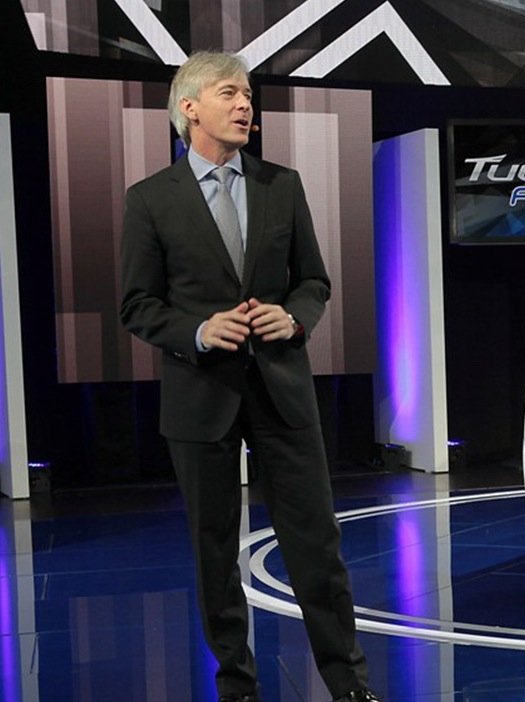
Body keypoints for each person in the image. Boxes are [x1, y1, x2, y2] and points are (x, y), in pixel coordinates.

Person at [120, 51, 379, 702]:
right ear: (189, 108)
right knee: (213, 551)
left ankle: (348, 684)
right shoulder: (150, 199)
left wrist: (293, 317)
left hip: (281, 391)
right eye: (229, 93)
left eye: (248, 95)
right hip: (199, 395)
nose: (245, 105)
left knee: (316, 544)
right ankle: (237, 686)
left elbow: (313, 281)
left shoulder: (281, 185)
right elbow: (137, 305)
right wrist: (199, 330)